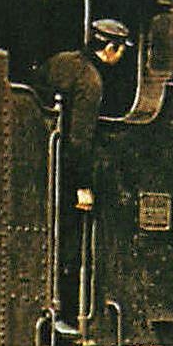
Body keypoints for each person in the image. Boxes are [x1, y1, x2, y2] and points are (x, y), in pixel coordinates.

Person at [42, 18, 130, 213]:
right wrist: (82, 185)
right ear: (110, 48)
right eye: (121, 51)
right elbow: (80, 138)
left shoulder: (62, 60)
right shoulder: (91, 81)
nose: (121, 57)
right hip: (64, 169)